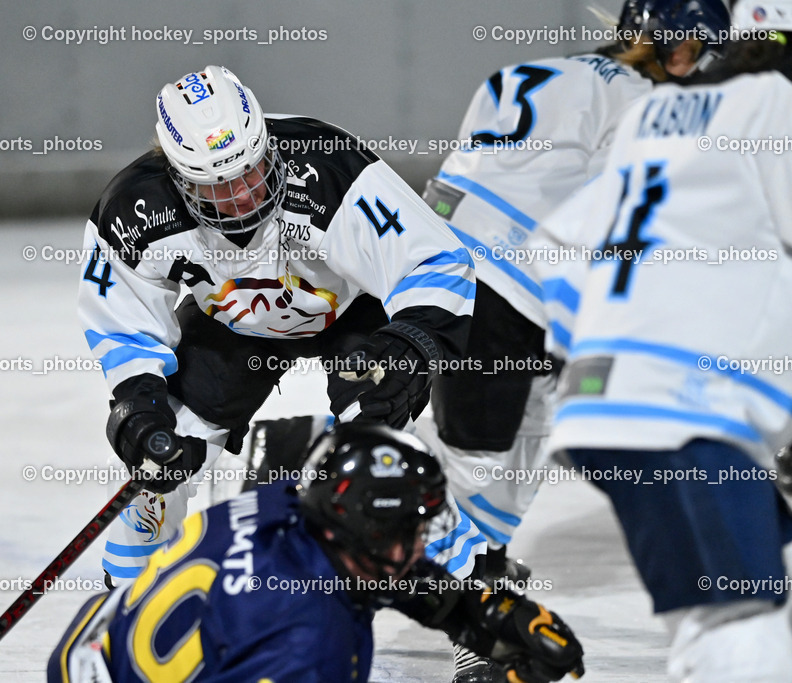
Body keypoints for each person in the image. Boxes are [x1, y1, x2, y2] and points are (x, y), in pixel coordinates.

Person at [79, 65, 476, 583]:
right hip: (230, 325)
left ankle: (478, 595)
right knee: (157, 463)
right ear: (177, 178)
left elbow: (436, 261)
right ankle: (129, 611)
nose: (245, 195)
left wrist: (407, 346)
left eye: (252, 169)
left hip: (352, 311)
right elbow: (122, 322)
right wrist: (139, 405)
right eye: (220, 186)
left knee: (374, 458)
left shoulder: (331, 166)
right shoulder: (134, 209)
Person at [416, 0, 730, 579]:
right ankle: (392, 543)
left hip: (444, 266)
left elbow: (458, 182)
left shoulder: (530, 72)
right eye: (692, 53)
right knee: (482, 456)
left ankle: (476, 559)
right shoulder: (645, 104)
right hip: (518, 288)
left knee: (514, 435)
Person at [536, 3, 792, 678]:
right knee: (750, 629)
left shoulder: (654, 117)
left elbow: (557, 250)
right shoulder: (775, 110)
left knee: (713, 621)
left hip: (600, 409)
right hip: (692, 415)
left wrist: (598, 353)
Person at [48, 423, 584, 682]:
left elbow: (369, 566)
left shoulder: (274, 506)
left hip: (87, 652)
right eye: (409, 528)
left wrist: (474, 613)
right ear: (364, 534)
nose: (422, 543)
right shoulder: (311, 643)